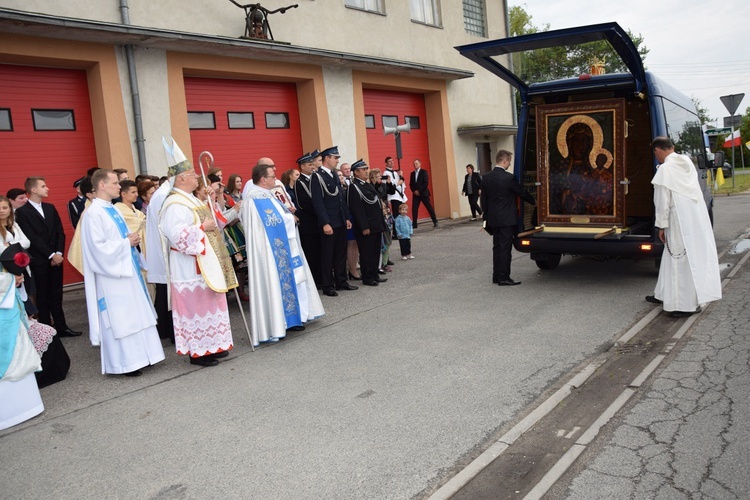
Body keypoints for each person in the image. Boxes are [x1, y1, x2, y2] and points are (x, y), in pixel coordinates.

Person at [80, 170, 165, 376]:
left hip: (128, 270)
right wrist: (126, 242)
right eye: (115, 183)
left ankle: (145, 356)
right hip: (112, 277)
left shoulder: (112, 209)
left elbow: (119, 236)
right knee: (122, 318)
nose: (119, 186)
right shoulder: (93, 214)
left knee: (136, 313)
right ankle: (126, 363)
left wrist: (130, 239)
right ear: (102, 185)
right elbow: (97, 249)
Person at [159, 138, 234, 367]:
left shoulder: (190, 199)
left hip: (205, 260)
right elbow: (176, 235)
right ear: (180, 179)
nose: (196, 177)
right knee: (196, 308)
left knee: (210, 304)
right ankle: (198, 352)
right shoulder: (174, 204)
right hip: (188, 264)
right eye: (192, 174)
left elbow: (212, 219)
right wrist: (203, 228)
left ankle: (213, 345)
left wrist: (210, 200)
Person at [240, 162, 325, 344]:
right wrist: (288, 218)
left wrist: (288, 214)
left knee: (294, 279)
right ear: (263, 179)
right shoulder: (254, 199)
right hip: (270, 254)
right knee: (275, 283)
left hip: (284, 248)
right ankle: (280, 323)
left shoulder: (268, 195)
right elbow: (270, 223)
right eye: (272, 176)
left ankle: (295, 317)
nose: (275, 179)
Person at [646, 137, 722, 317]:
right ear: (672, 147)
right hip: (694, 218)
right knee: (672, 255)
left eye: (655, 153)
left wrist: (661, 226)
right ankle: (663, 293)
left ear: (658, 150)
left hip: (677, 218)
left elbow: (662, 201)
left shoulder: (665, 169)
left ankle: (684, 305)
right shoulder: (686, 162)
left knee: (678, 259)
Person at [15, 177, 81, 337]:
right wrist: (50, 254)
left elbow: (60, 232)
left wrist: (58, 253)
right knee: (43, 296)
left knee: (56, 295)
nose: (48, 189)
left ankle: (62, 327)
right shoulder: (22, 212)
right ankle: (48, 331)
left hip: (56, 260)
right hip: (40, 260)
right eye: (43, 186)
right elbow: (32, 237)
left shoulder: (50, 207)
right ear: (33, 190)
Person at [0, 244, 44, 431]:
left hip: (9, 308)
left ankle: (27, 404)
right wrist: (10, 279)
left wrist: (13, 278)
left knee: (19, 348)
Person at [481, 150, 536, 286]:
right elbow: (521, 192)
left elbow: (483, 199)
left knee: (497, 247)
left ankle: (496, 276)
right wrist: (534, 201)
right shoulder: (508, 178)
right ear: (504, 161)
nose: (510, 164)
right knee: (505, 249)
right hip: (506, 219)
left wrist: (486, 216)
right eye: (509, 161)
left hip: (493, 219)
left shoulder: (486, 177)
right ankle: (504, 278)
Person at [310, 146, 357, 297]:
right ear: (327, 158)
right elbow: (318, 202)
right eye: (335, 158)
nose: (337, 160)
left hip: (340, 221)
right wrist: (325, 223)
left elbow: (340, 199)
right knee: (327, 255)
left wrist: (346, 218)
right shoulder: (317, 177)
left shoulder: (334, 175)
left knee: (340, 253)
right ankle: (328, 285)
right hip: (329, 222)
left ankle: (341, 281)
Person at [347, 160, 388, 287]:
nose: (366, 171)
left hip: (375, 224)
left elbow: (375, 204)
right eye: (363, 169)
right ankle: (367, 277)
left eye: (366, 169)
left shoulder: (366, 184)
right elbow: (357, 209)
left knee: (375, 251)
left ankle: (374, 273)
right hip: (366, 226)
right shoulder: (354, 187)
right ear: (356, 172)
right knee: (366, 253)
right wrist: (364, 226)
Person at [293, 152, 322, 287]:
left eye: (313, 164)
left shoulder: (313, 179)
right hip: (309, 224)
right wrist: (321, 212)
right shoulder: (300, 182)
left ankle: (321, 278)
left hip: (318, 222)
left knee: (319, 252)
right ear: (302, 166)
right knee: (312, 253)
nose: (313, 167)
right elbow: (305, 203)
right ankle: (315, 281)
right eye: (310, 164)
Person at [409, 159, 439, 228]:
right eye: (414, 164)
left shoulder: (424, 172)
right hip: (416, 194)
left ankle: (435, 221)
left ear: (420, 164)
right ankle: (414, 224)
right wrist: (414, 191)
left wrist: (419, 191)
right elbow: (411, 184)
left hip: (423, 193)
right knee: (414, 208)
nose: (415, 165)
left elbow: (425, 183)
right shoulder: (412, 174)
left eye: (416, 163)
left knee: (429, 207)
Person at [383, 156, 408, 221]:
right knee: (396, 214)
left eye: (392, 161)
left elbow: (402, 184)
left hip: (399, 195)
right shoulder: (386, 173)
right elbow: (389, 185)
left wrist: (401, 176)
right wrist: (398, 182)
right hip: (393, 196)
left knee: (402, 212)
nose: (391, 162)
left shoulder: (395, 173)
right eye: (389, 161)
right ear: (386, 163)